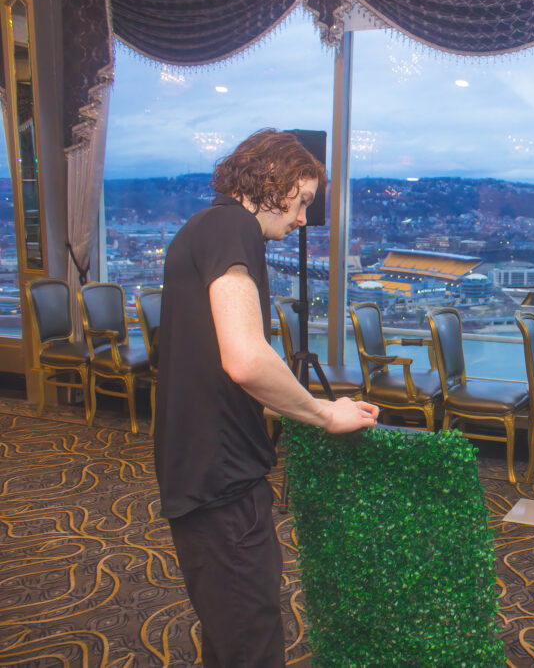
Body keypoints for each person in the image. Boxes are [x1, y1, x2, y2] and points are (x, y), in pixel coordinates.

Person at [153, 129, 379, 667]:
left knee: (230, 639)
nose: (303, 218)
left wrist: (311, 407)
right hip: (222, 481)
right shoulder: (233, 228)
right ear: (273, 181)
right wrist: (325, 415)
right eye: (302, 201)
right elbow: (246, 360)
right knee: (250, 644)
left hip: (198, 469)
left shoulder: (205, 227)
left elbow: (225, 372)